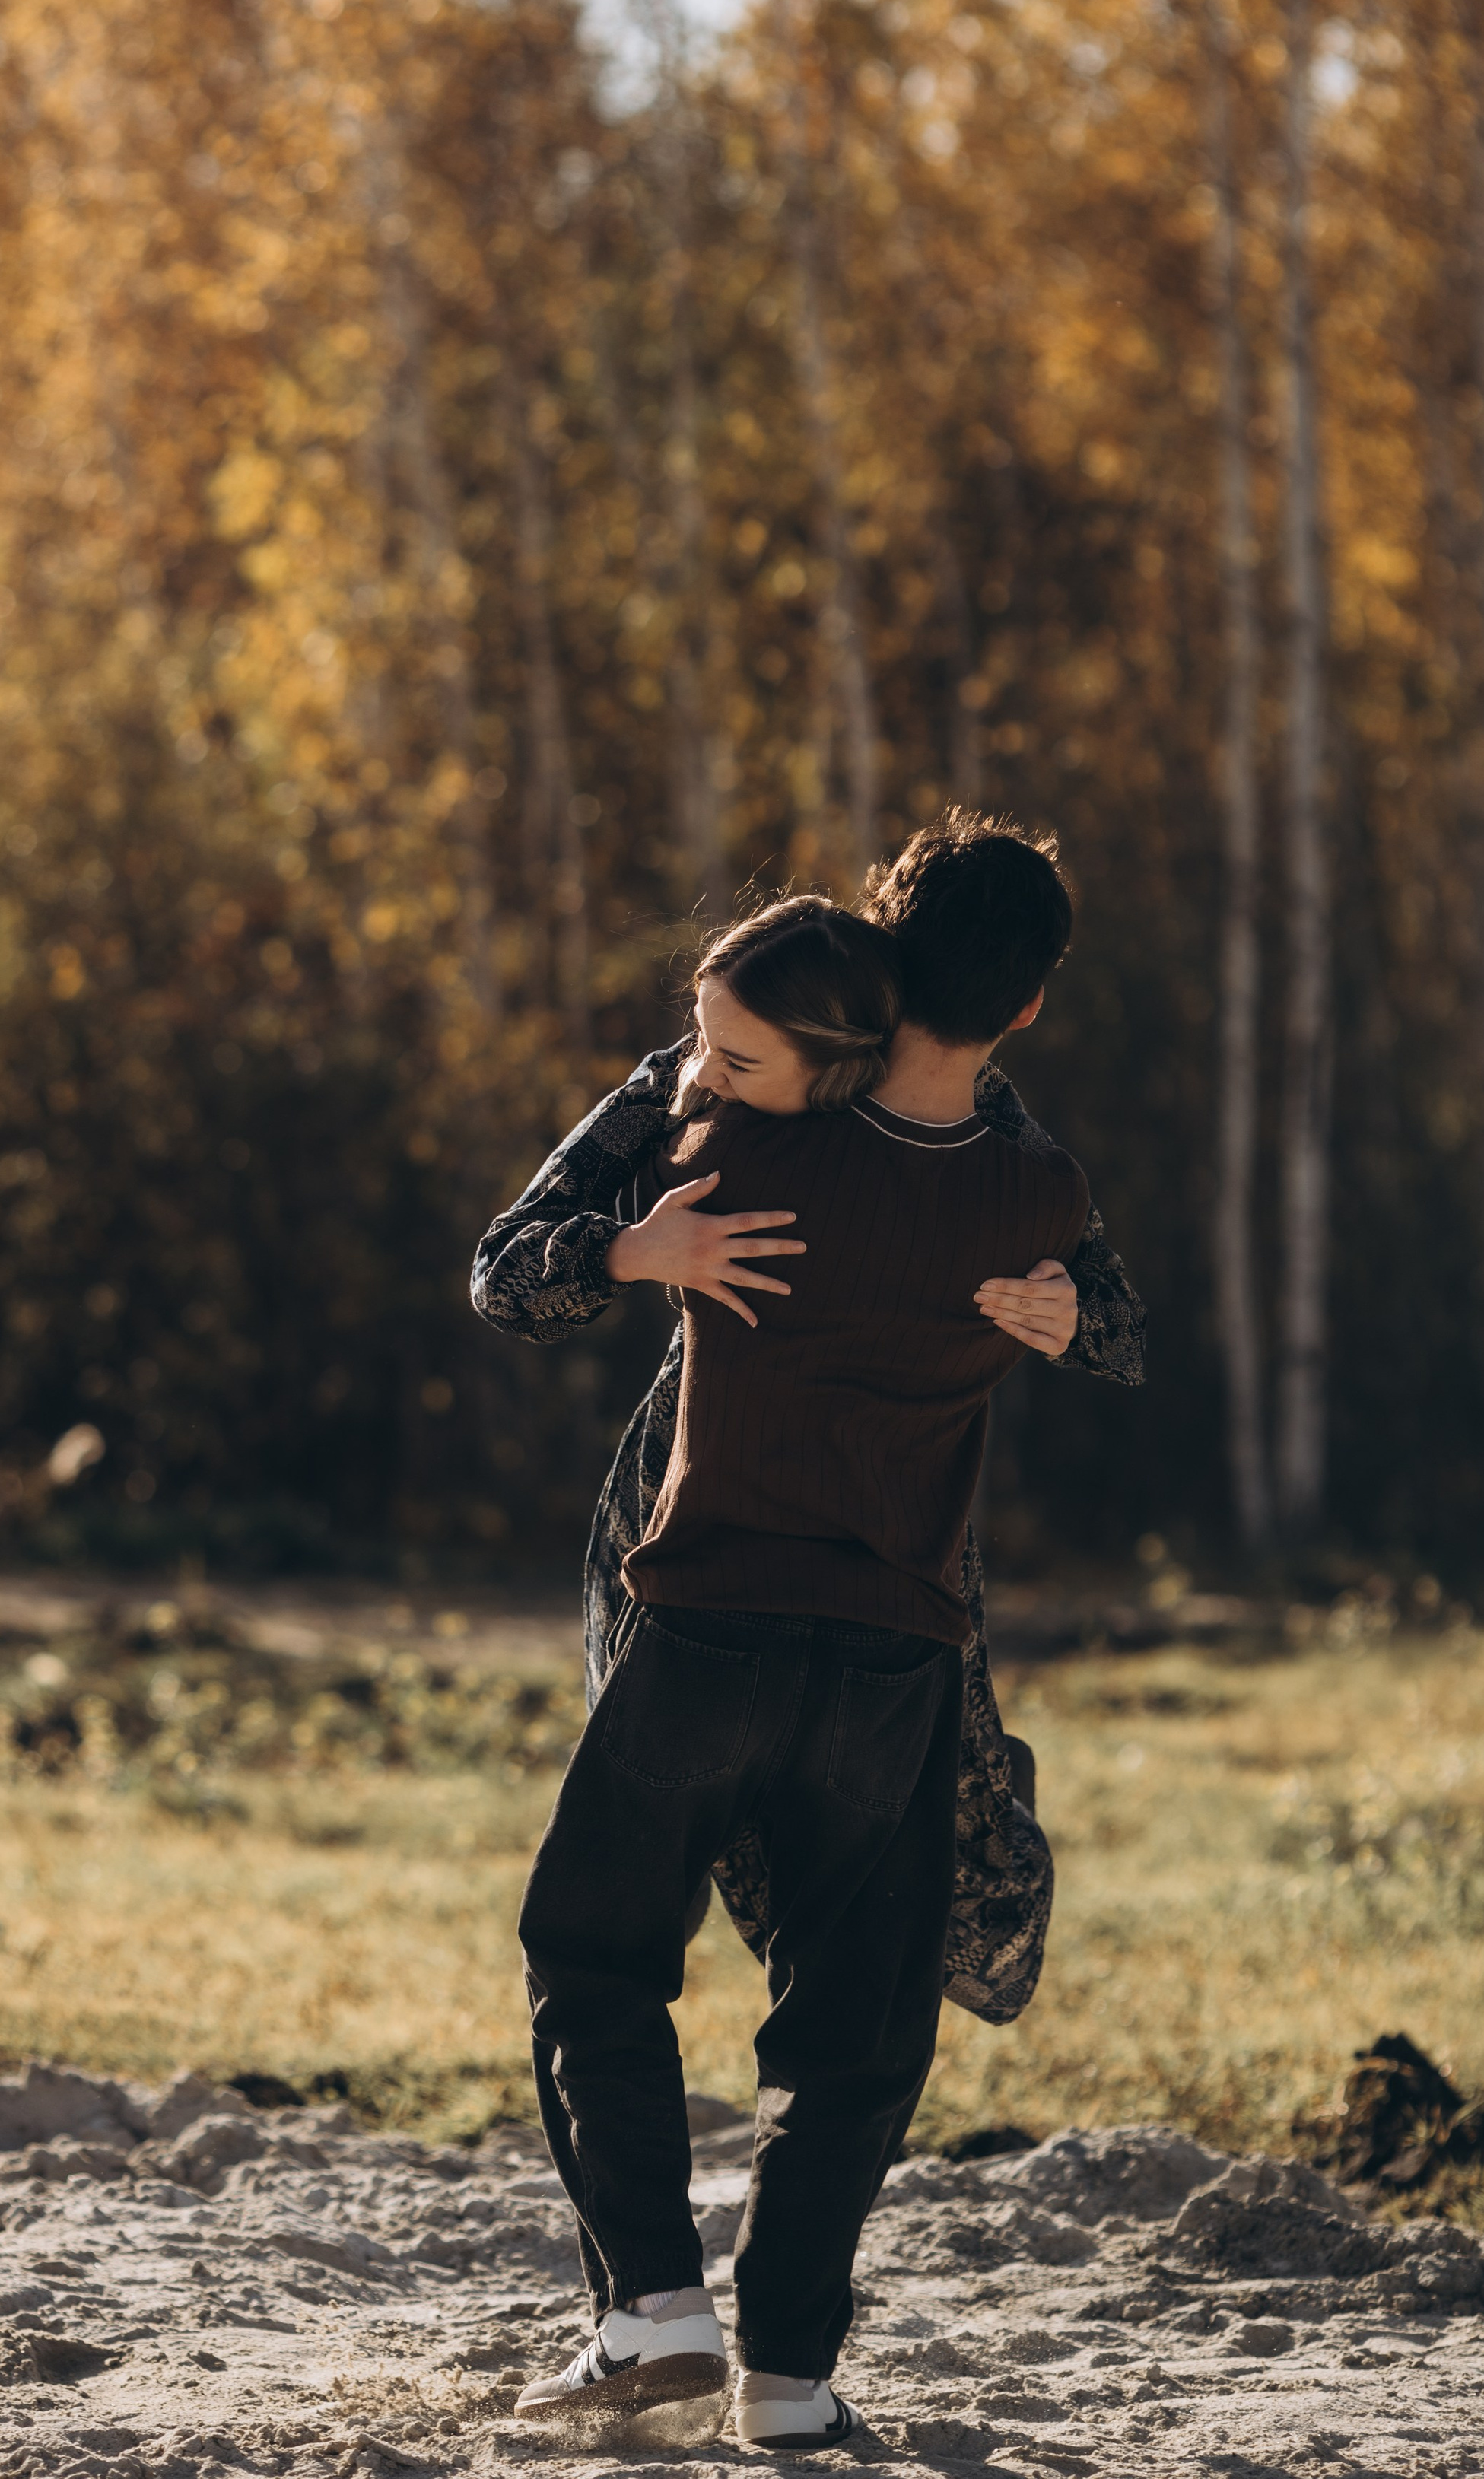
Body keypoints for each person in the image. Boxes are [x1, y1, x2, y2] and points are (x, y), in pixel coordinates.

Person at [471, 815, 1142, 2449]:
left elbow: (508, 1269)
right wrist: (1069, 1315)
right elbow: (1115, 1329)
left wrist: (633, 1241)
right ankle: (788, 2378)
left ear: (877, 950)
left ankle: (647, 2308)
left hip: (702, 1621)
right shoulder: (1035, 1188)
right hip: (896, 1658)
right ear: (1033, 1009)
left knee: (592, 1955)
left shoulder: (728, 1132)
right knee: (854, 2027)